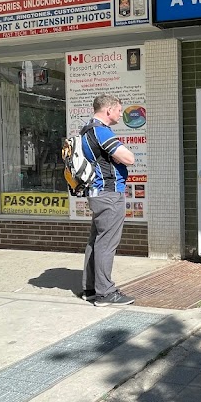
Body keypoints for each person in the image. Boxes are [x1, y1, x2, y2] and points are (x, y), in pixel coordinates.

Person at [80, 94, 137, 306]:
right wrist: (118, 156)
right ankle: (105, 293)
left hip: (97, 193)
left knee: (96, 241)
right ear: (108, 110)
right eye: (119, 110)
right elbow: (129, 158)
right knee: (106, 243)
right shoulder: (101, 131)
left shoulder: (86, 130)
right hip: (109, 194)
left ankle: (90, 288)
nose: (121, 114)